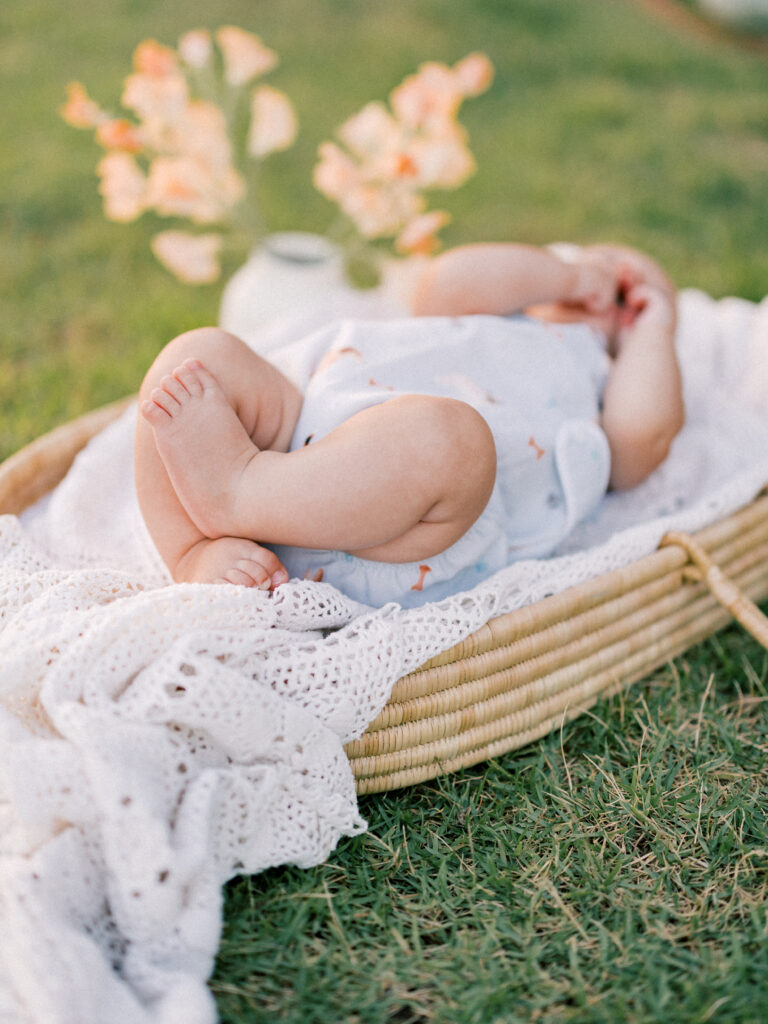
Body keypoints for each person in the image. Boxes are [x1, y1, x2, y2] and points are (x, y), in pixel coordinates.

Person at [134, 241, 684, 607]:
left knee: (452, 439)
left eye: (631, 298)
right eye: (602, 259)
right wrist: (565, 275)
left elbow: (644, 439)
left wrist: (651, 330)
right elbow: (447, 278)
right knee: (200, 358)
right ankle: (192, 551)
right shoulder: (482, 314)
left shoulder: (595, 386)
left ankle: (238, 492)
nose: (618, 284)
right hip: (300, 427)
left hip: (396, 526)